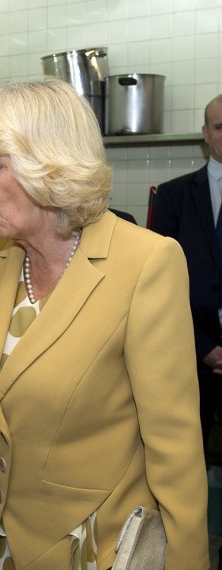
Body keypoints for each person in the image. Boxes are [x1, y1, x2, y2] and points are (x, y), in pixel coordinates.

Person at [0, 76, 209, 568]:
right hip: (0, 542)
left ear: (49, 167)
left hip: (96, 546)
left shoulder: (145, 262)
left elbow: (175, 449)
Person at [151, 93, 222, 465]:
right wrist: (201, 346)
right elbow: (159, 286)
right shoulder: (173, 196)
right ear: (205, 133)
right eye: (219, 126)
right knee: (187, 458)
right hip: (191, 352)